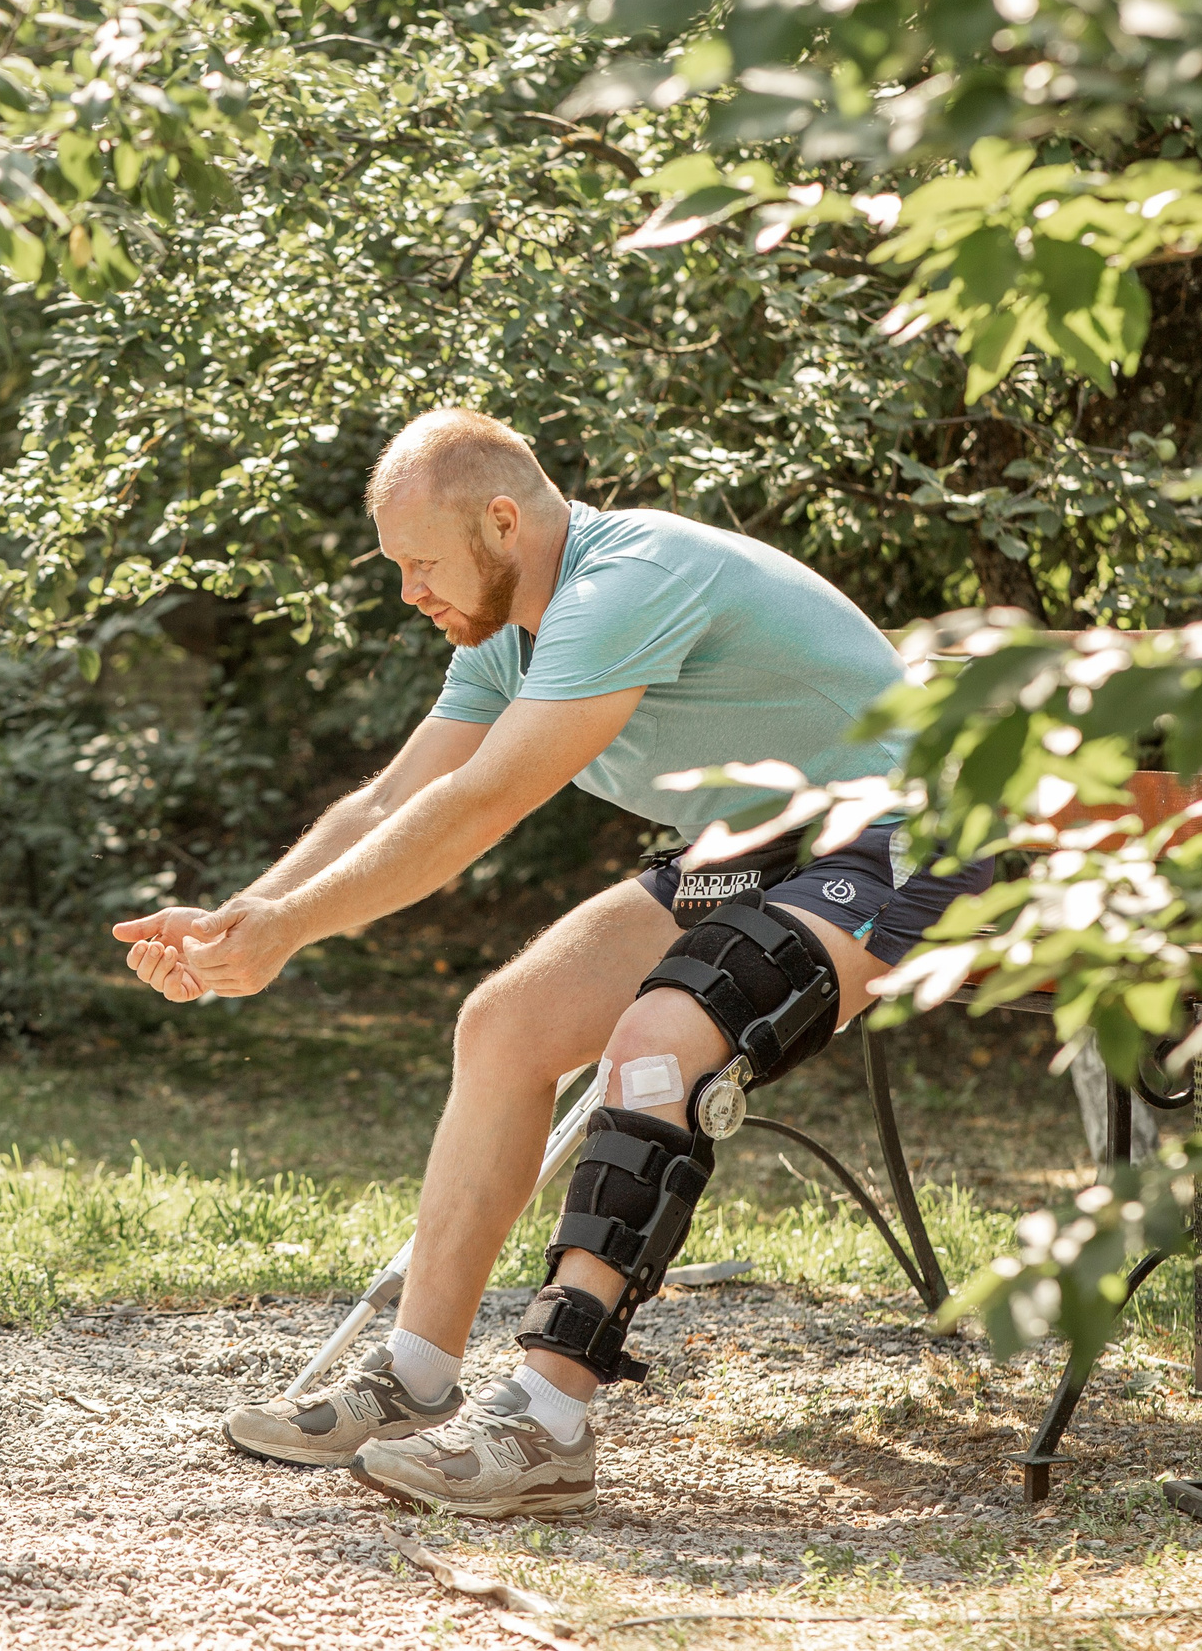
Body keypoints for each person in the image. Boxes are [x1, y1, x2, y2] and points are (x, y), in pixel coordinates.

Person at [115, 407, 990, 1518]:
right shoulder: (503, 633)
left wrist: (290, 935)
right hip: (766, 845)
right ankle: (416, 1375)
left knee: (659, 1044)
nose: (408, 591)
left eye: (419, 563)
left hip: (915, 835)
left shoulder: (627, 578)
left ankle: (548, 1418)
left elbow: (481, 802)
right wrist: (250, 914)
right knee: (505, 1023)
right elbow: (395, 796)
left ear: (499, 520)